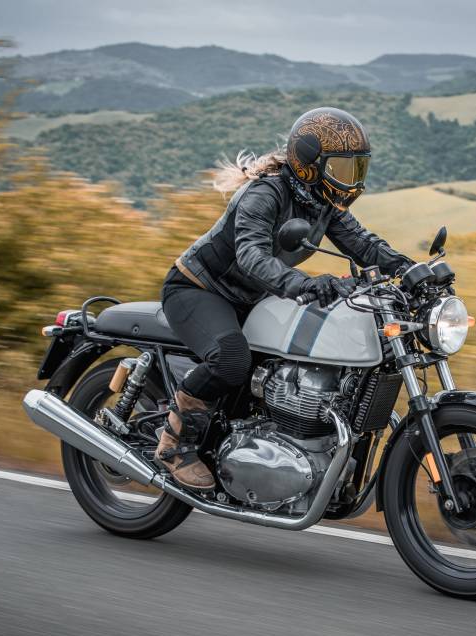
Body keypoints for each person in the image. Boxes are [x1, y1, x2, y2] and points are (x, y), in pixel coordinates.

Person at [156, 107, 412, 489]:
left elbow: (362, 243)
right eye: (342, 168)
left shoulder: (322, 202)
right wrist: (304, 284)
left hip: (255, 298)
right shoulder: (265, 193)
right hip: (200, 289)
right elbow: (251, 255)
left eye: (356, 168)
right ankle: (174, 446)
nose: (351, 180)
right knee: (231, 361)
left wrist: (413, 270)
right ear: (310, 164)